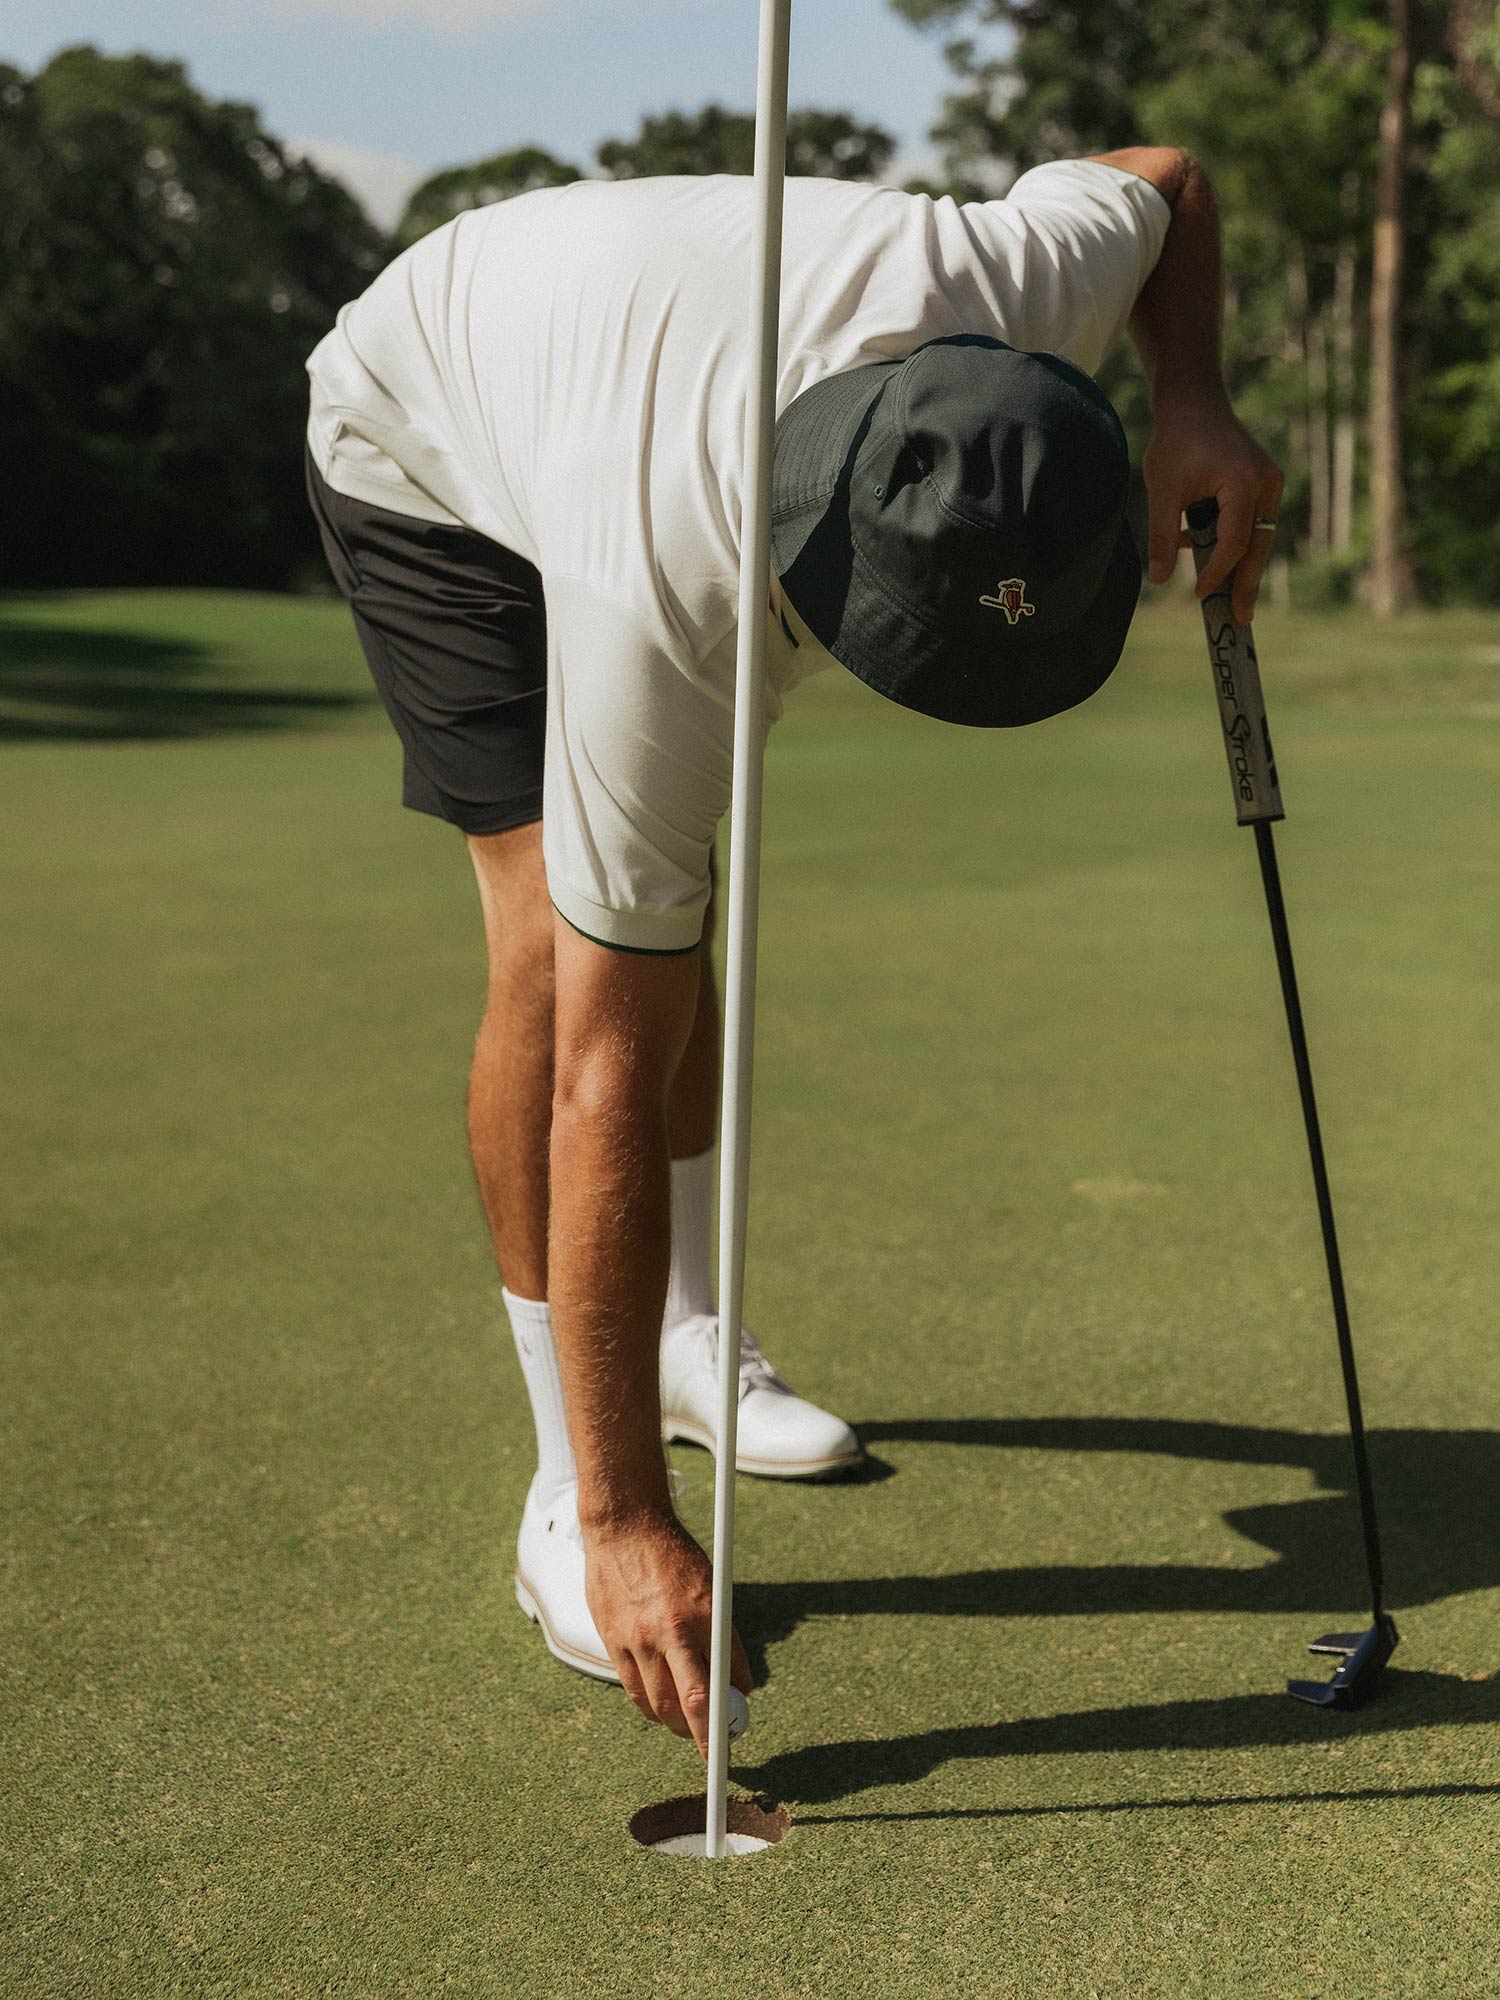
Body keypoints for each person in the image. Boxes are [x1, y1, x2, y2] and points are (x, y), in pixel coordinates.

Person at [304, 145, 1284, 1762]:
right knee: (572, 963)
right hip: (429, 425)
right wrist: (633, 1518)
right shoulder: (662, 597)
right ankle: (572, 1487)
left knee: (667, 907)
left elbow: (1175, 177)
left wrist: (1196, 394)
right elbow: (602, 1077)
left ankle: (686, 1340)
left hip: (637, 359)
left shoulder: (1027, 279)